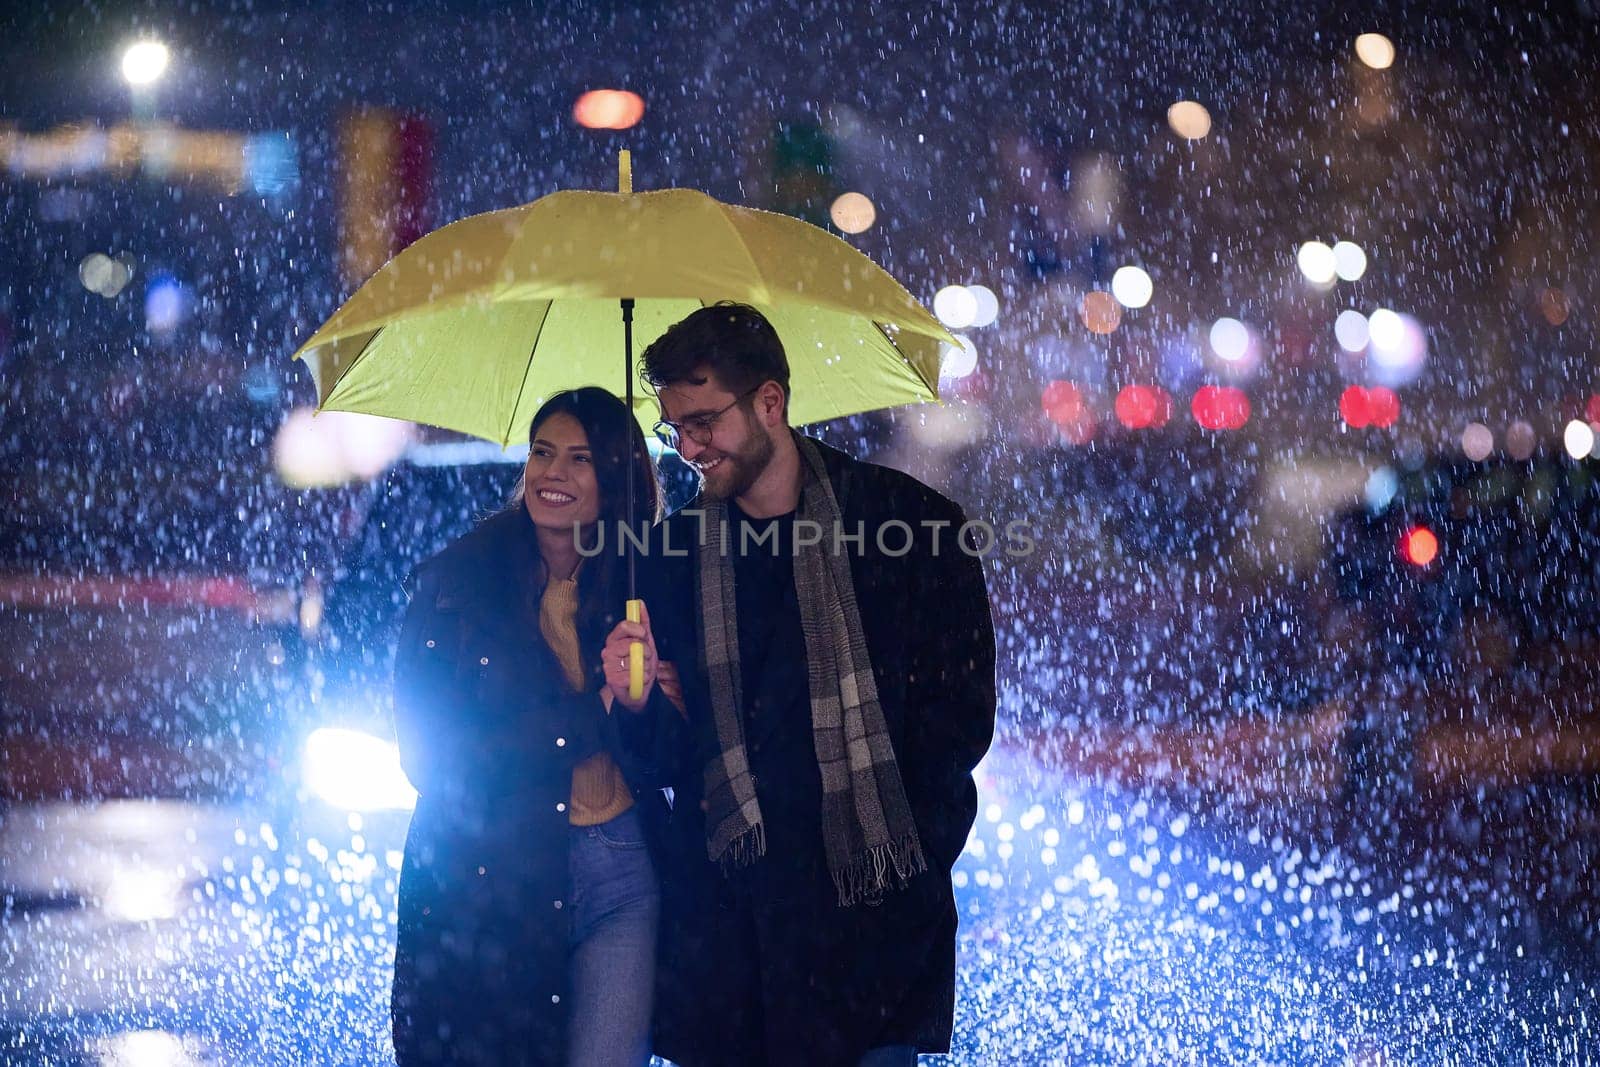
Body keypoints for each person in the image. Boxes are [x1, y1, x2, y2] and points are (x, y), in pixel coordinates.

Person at [604, 303, 997, 1067]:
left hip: (871, 937)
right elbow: (668, 764)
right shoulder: (669, 556)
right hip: (733, 948)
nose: (688, 447)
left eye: (705, 421)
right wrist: (637, 702)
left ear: (771, 403)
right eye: (673, 427)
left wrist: (910, 857)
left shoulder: (910, 527)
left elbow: (957, 722)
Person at [390, 387, 676, 1067]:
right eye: (543, 452)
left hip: (623, 872)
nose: (554, 472)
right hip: (499, 871)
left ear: (615, 477)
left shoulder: (645, 580)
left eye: (580, 458)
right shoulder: (459, 583)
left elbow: (676, 755)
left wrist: (645, 705)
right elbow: (432, 758)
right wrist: (588, 712)